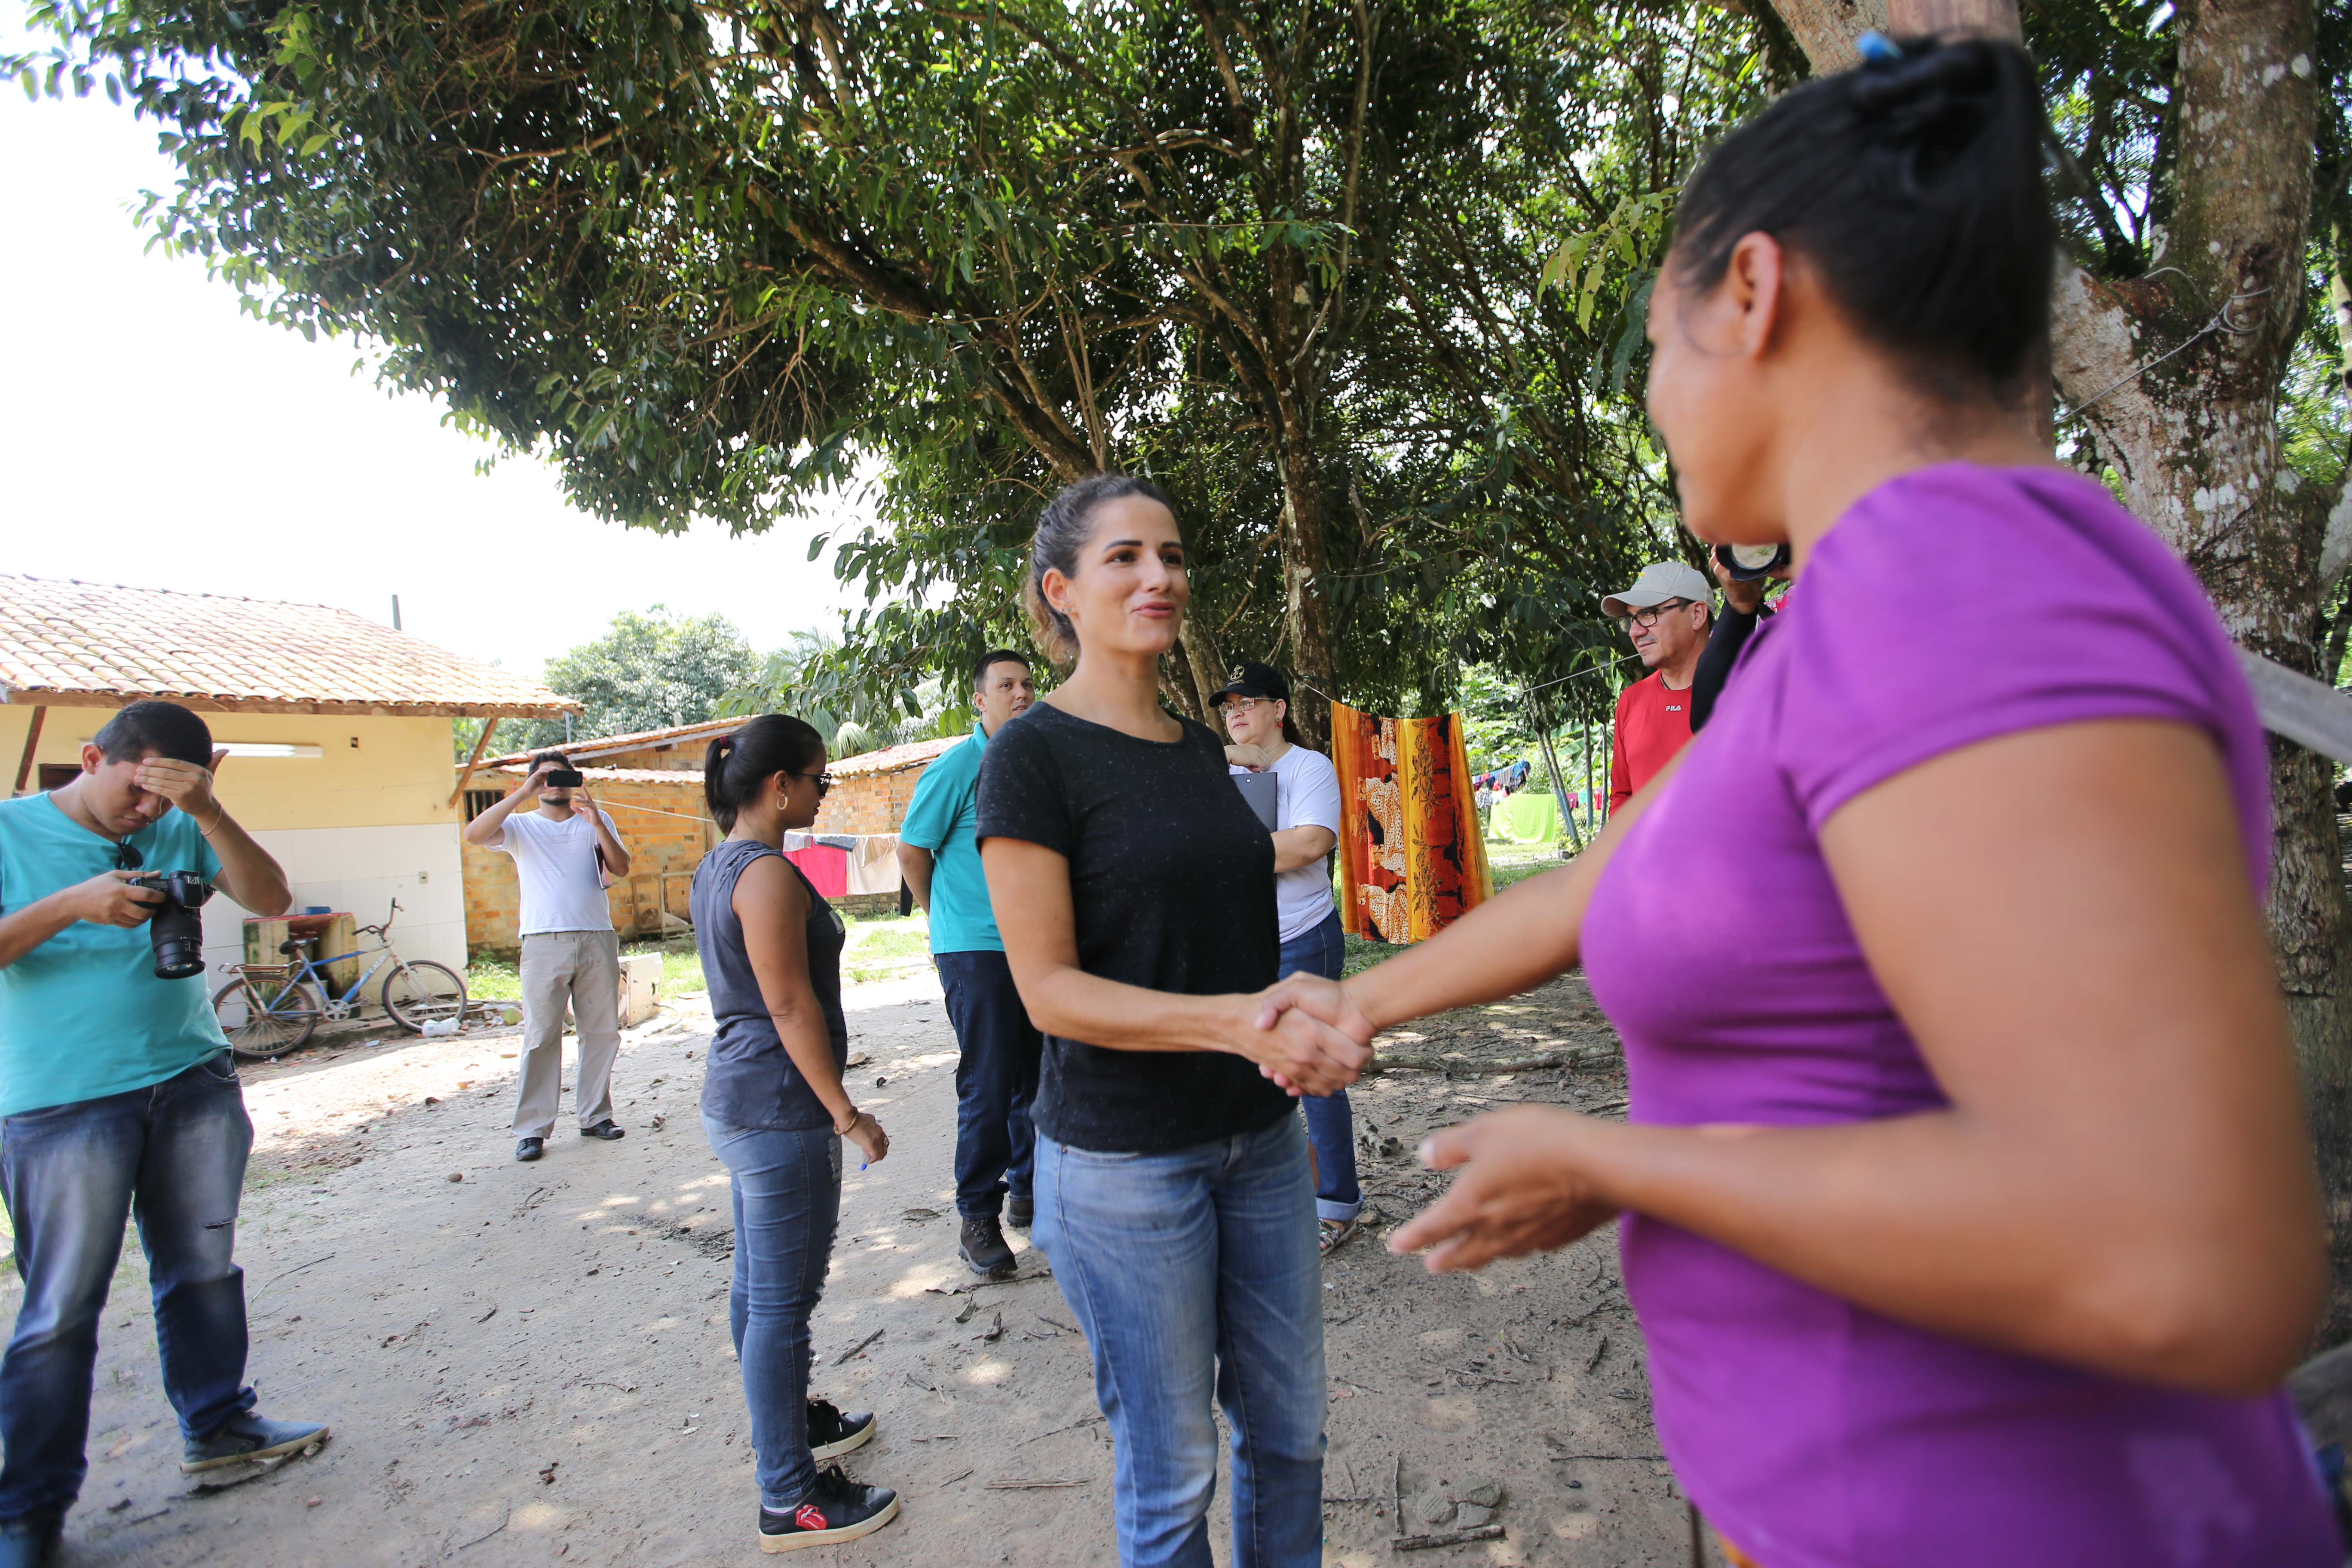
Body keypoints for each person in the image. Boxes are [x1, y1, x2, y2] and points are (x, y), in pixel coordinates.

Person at [1263, 35, 2338, 1568]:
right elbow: (1631, 868)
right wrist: (1364, 1002)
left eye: (1654, 343)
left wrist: (1617, 1159)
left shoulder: (1949, 578)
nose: (1648, 397)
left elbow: (2182, 1256)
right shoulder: (1832, 624)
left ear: (1752, 293)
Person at [976, 473, 1369, 1567]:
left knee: (1290, 1438)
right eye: (1124, 558)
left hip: (1259, 1145)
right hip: (1121, 1165)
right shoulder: (1031, 757)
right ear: (1060, 591)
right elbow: (1048, 989)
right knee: (1172, 1475)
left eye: (1172, 554)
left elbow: (1236, 938)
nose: (1161, 576)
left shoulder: (1205, 751)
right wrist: (1240, 1024)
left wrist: (1287, 1033)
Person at [0, 700, 327, 1568]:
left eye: (165, 799)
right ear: (91, 758)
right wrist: (74, 903)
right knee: (60, 1309)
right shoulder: (9, 832)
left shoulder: (185, 824)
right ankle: (28, 1515)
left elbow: (271, 898)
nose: (147, 814)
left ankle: (220, 1427)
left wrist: (208, 810)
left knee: (204, 1273)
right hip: (61, 1101)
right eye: (137, 793)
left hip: (190, 1083)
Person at [692, 716, 899, 1553]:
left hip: (743, 1100)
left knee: (759, 1293)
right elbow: (787, 1007)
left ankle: (791, 1428)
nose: (823, 793)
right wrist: (845, 1114)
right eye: (819, 780)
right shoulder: (767, 875)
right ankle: (789, 1495)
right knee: (783, 1306)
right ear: (780, 787)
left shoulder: (723, 862)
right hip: (780, 1110)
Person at [897, 649, 1044, 1279]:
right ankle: (976, 1215)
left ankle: (1028, 1189)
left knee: (1039, 1076)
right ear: (979, 700)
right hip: (975, 948)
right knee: (988, 1080)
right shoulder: (958, 766)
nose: (1020, 693)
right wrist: (944, 920)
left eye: (1027, 684)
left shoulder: (1039, 763)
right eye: (1006, 685)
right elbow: (911, 850)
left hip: (1037, 945)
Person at [1216, 661, 1358, 1255]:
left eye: (1249, 701)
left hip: (1303, 937)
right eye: (1228, 706)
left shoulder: (1310, 767)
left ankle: (1336, 1205)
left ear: (1279, 708)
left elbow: (1310, 842)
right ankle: (1275, 1198)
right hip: (1240, 942)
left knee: (1312, 1071)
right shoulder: (1218, 771)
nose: (1237, 711)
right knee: (1254, 1075)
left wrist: (1224, 853)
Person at [462, 752, 633, 1161]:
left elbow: (622, 868)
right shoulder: (520, 826)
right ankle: (533, 1129)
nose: (555, 784)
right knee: (541, 1036)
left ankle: (595, 1117)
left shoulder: (597, 820)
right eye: (546, 777)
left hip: (596, 936)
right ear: (535, 782)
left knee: (601, 1032)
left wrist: (596, 824)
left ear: (575, 780)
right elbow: (473, 835)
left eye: (561, 776)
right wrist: (524, 791)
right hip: (543, 940)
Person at [1600, 561, 1713, 813]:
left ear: (1697, 615)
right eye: (1631, 619)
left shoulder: (1747, 694)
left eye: (1649, 614)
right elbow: (1623, 795)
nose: (1635, 631)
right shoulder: (1631, 700)